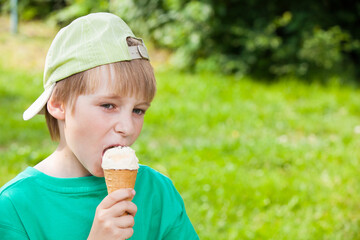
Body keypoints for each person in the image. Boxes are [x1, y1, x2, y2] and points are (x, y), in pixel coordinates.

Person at [0, 12, 199, 240]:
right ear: (58, 104)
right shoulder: (14, 208)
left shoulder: (158, 194)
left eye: (138, 110)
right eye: (108, 105)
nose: (127, 127)